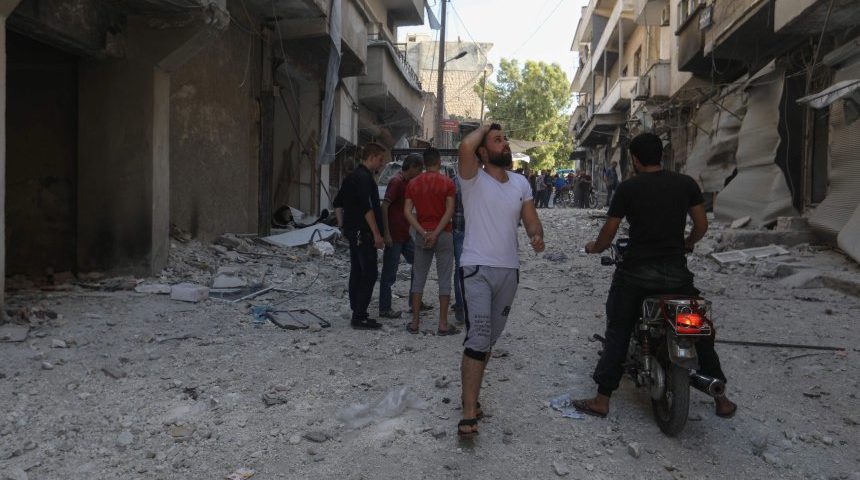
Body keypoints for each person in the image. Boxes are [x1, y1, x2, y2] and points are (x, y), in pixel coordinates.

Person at [574, 133, 737, 419]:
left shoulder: (628, 188)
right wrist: (688, 242)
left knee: (618, 329)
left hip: (636, 273)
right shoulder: (686, 184)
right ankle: (721, 398)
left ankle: (602, 399)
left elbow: (609, 232)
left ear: (635, 159)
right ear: (660, 155)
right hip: (676, 274)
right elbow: (701, 225)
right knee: (699, 330)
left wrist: (594, 247)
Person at [456, 123, 545, 436]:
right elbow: (465, 147)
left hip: (509, 272)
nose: (505, 144)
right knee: (478, 338)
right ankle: (469, 413)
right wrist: (485, 127)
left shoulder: (520, 183)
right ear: (483, 151)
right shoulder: (472, 178)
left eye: (505, 139)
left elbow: (531, 220)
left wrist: (536, 235)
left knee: (488, 341)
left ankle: (471, 396)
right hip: (476, 269)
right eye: (497, 140)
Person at [404, 147, 459, 336]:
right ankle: (443, 324)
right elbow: (449, 211)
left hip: (423, 235)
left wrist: (423, 232)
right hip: (444, 234)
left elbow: (407, 212)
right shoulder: (448, 183)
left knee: (419, 278)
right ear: (439, 161)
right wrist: (436, 233)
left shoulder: (413, 183)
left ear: (424, 163)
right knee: (444, 278)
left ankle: (415, 323)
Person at [333, 142, 387, 330]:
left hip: (353, 233)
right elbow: (367, 208)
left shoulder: (351, 177)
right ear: (371, 157)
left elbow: (337, 203)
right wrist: (377, 234)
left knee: (357, 271)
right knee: (369, 273)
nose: (381, 164)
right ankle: (359, 316)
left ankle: (357, 310)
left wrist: (342, 226)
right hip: (363, 234)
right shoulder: (364, 178)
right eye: (380, 159)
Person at [378, 154, 424, 319]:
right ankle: (384, 308)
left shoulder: (407, 182)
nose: (419, 173)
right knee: (389, 274)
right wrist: (386, 233)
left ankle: (415, 301)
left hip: (404, 235)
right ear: (412, 167)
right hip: (394, 236)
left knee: (419, 263)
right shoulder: (396, 182)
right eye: (419, 170)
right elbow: (384, 207)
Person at [451, 175, 466, 325]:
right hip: (476, 231)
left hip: (458, 230)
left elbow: (449, 208)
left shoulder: (455, 181)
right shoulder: (484, 180)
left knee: (460, 269)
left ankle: (460, 306)